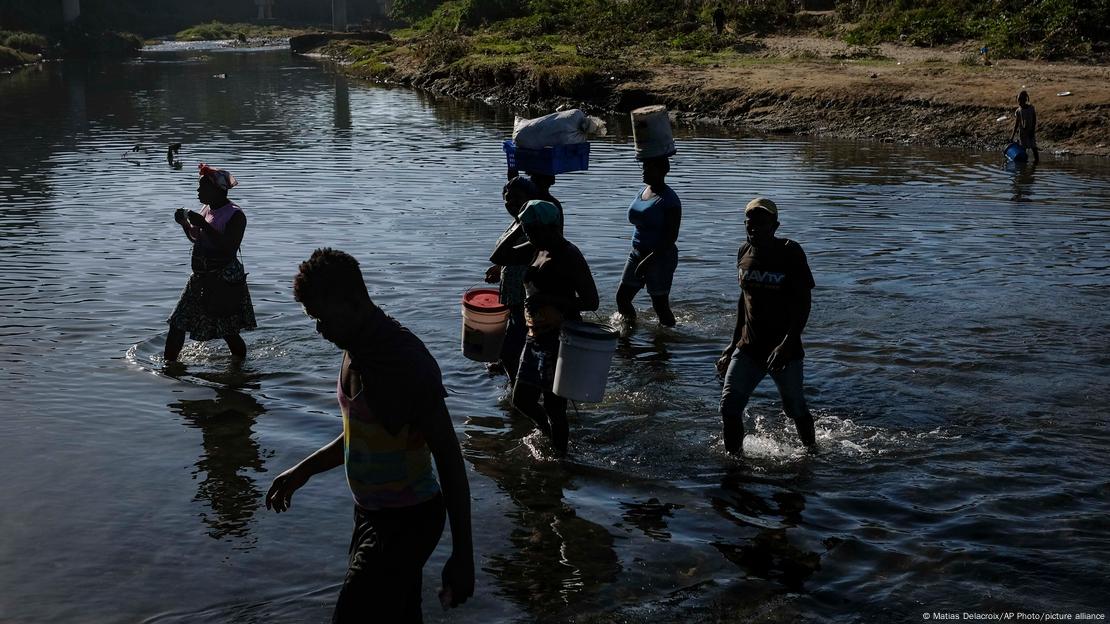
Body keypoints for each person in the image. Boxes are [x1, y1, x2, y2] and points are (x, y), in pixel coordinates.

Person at [265, 248, 474, 623]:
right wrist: (304, 470)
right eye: (313, 318)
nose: (319, 328)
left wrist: (463, 555)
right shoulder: (354, 350)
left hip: (408, 520)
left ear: (353, 302)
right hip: (371, 513)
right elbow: (362, 434)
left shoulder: (404, 362)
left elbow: (448, 456)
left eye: (323, 317)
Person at [493, 200, 599, 457]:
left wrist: (550, 299)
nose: (530, 236)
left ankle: (561, 459)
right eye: (528, 231)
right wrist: (520, 226)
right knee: (521, 399)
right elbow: (499, 256)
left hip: (561, 338)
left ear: (552, 228)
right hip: (536, 335)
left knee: (555, 408)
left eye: (534, 230)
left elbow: (591, 301)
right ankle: (548, 434)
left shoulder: (569, 254)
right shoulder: (534, 248)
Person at [716, 198, 816, 456]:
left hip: (784, 352)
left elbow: (804, 302)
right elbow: (744, 300)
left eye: (761, 223)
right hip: (748, 348)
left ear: (775, 225)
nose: (754, 228)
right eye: (750, 223)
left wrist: (788, 343)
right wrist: (731, 345)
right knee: (729, 407)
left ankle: (811, 452)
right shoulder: (743, 253)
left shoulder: (790, 252)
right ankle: (734, 463)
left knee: (795, 409)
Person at [165, 164, 256, 362]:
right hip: (200, 278)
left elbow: (228, 248)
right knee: (177, 322)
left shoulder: (235, 215)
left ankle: (240, 367)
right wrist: (185, 225)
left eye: (201, 187)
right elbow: (198, 238)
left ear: (217, 190)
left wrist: (204, 224)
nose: (197, 191)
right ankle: (168, 369)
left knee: (228, 331)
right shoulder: (207, 209)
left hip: (223, 279)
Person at [615, 155, 681, 327]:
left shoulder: (670, 200)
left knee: (660, 305)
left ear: (661, 171)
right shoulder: (643, 191)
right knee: (622, 298)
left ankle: (666, 341)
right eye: (643, 167)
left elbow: (671, 237)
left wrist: (649, 259)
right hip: (637, 253)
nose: (644, 172)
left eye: (648, 168)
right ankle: (628, 333)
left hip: (659, 257)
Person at [486, 176, 540, 382]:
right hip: (512, 295)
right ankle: (517, 380)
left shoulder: (531, 226)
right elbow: (509, 255)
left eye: (518, 199)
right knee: (515, 342)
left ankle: (518, 391)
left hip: (523, 295)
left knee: (511, 349)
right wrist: (500, 268)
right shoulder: (517, 222)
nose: (511, 203)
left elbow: (529, 255)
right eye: (508, 199)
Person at [1010, 90, 1040, 163]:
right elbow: (1016, 124)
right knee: (1023, 149)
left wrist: (1032, 131)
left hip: (1030, 131)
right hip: (1022, 133)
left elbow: (1034, 120)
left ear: (1025, 100)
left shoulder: (1031, 108)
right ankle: (1024, 162)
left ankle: (1036, 161)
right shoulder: (1018, 111)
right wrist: (1012, 136)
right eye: (1018, 101)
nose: (1019, 103)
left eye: (1021, 101)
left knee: (1033, 147)